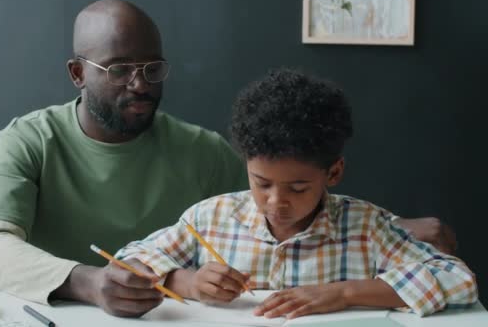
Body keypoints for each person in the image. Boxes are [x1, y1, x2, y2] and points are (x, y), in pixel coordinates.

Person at [0, 0, 457, 318]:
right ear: (78, 73)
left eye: (152, 68)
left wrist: (394, 228)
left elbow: (285, 201)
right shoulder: (27, 141)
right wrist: (91, 282)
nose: (140, 83)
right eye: (118, 69)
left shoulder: (203, 150)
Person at [115, 68, 477, 318]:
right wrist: (190, 282)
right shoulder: (209, 218)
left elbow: (457, 280)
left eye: (298, 187)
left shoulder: (367, 228)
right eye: (261, 183)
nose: (276, 202)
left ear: (333, 172)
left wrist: (343, 293)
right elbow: (129, 262)